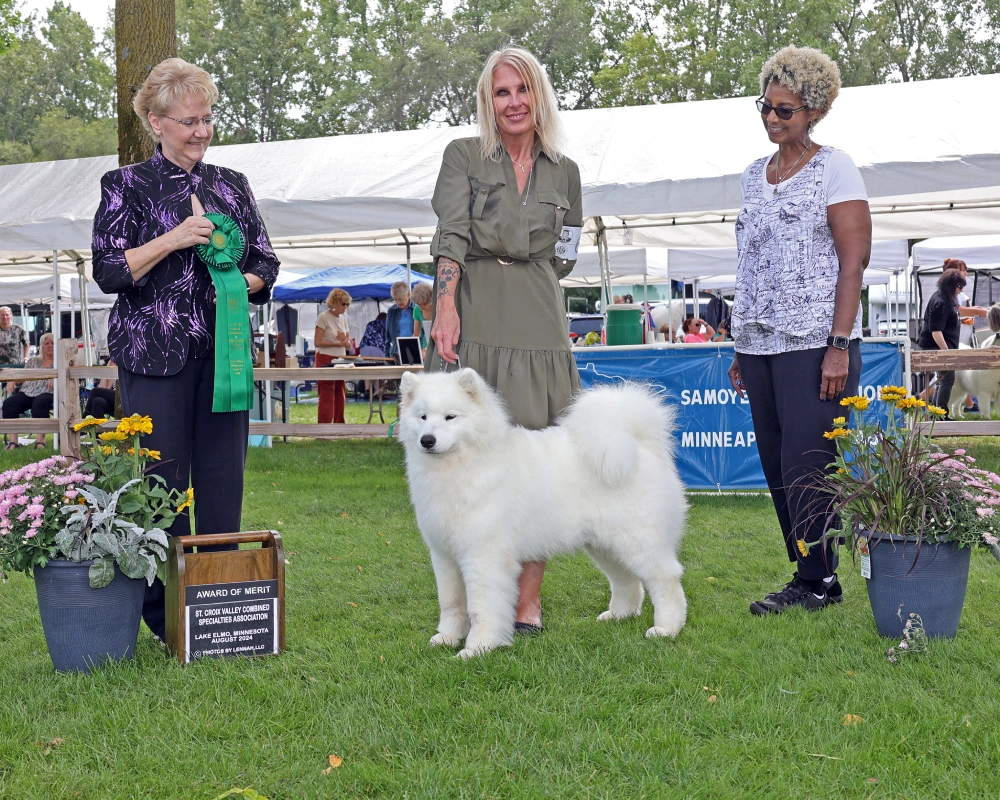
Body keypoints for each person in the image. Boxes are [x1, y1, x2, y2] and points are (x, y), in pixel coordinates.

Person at [91, 57, 279, 642]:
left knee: (224, 480)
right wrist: (175, 239)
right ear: (155, 121)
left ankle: (220, 607)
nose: (201, 130)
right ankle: (167, 616)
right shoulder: (125, 186)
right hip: (154, 358)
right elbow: (108, 270)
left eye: (208, 118)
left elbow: (265, 262)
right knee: (162, 486)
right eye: (188, 120)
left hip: (223, 358)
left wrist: (238, 285)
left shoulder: (232, 185)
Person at [426, 46, 583, 635]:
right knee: (467, 457)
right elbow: (450, 233)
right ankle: (466, 603)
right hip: (474, 310)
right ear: (488, 102)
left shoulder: (564, 171)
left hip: (541, 318)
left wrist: (534, 281)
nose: (513, 102)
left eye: (522, 90)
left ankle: (527, 603)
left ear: (539, 95)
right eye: (501, 92)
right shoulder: (463, 156)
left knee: (540, 457)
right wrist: (446, 307)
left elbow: (565, 256)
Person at [727, 46, 871, 616]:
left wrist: (838, 346)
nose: (771, 119)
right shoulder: (750, 177)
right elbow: (748, 261)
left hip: (817, 344)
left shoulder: (835, 166)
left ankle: (817, 580)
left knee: (807, 463)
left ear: (812, 111)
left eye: (784, 110)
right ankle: (811, 574)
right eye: (765, 107)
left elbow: (853, 260)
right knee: (776, 462)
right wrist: (741, 345)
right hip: (759, 343)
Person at [917, 269, 966, 416]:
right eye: (959, 287)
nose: (960, 291)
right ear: (952, 285)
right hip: (936, 346)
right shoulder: (940, 302)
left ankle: (936, 414)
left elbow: (944, 323)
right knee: (947, 379)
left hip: (940, 346)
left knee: (943, 378)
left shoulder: (945, 298)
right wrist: (947, 352)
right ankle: (941, 414)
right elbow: (936, 331)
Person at [2, 332, 54, 449]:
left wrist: (58, 379)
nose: (50, 346)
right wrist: (12, 380)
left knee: (39, 403)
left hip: (48, 392)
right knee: (9, 404)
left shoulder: (60, 362)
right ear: (42, 346)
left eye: (52, 343)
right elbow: (22, 377)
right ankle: (13, 442)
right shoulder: (33, 361)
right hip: (27, 391)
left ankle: (40, 440)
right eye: (47, 343)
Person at [314, 288, 352, 424]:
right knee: (326, 393)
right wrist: (337, 344)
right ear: (335, 302)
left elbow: (348, 346)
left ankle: (339, 425)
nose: (346, 307)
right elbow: (317, 342)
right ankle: (324, 427)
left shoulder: (344, 320)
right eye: (343, 304)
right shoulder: (323, 317)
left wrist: (345, 342)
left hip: (341, 359)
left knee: (340, 392)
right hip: (325, 357)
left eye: (347, 304)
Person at [385, 281, 415, 357]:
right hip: (396, 353)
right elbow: (388, 336)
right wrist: (386, 356)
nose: (398, 302)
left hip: (415, 351)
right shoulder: (391, 311)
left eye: (400, 299)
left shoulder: (417, 309)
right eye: (395, 299)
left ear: (408, 295)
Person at [411, 282, 434, 350]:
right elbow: (416, 334)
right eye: (418, 304)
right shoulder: (417, 309)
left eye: (424, 304)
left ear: (431, 300)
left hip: (440, 346)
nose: (421, 307)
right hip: (426, 345)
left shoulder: (439, 308)